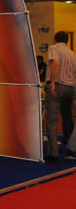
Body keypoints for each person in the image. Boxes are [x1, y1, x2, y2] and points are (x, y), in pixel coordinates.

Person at [44, 31, 76, 161]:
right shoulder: (72, 53)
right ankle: (71, 147)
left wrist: (52, 83)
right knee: (68, 117)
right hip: (70, 88)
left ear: (55, 39)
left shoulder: (54, 48)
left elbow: (55, 64)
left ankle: (53, 153)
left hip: (57, 86)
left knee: (52, 120)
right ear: (67, 41)